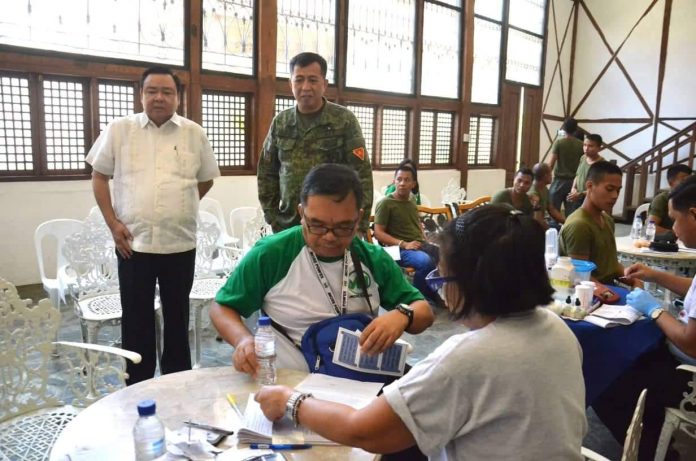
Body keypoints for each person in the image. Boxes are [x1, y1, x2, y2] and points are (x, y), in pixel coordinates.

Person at [254, 205, 587, 460]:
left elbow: (365, 431)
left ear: (473, 284)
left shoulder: (469, 359)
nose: (442, 294)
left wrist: (290, 400)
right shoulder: (558, 329)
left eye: (442, 281)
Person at [211, 163, 433, 375]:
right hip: (289, 384)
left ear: (359, 219)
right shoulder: (272, 254)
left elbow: (424, 311)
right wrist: (242, 340)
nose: (329, 236)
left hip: (359, 383)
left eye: (343, 227)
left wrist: (402, 315)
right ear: (301, 213)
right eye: (316, 225)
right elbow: (222, 308)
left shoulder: (372, 258)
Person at [86, 66, 220, 384]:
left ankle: (176, 384)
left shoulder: (194, 133)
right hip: (133, 244)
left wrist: (180, 206)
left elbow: (205, 181)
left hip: (179, 244)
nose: (159, 97)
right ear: (141, 94)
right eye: (152, 91)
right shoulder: (119, 129)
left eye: (167, 91)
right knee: (136, 320)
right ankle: (138, 384)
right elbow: (99, 176)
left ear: (177, 97)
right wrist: (112, 223)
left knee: (177, 319)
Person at [594, 174, 696, 460]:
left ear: (694, 214)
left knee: (609, 380)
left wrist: (654, 309)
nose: (674, 230)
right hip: (681, 359)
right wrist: (654, 275)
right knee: (633, 355)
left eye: (676, 220)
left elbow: (690, 344)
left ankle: (649, 452)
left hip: (688, 375)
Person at [257, 52, 373, 234]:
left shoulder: (344, 120)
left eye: (312, 80)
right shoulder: (281, 122)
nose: (305, 87)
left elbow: (362, 175)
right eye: (299, 80)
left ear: (324, 84)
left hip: (332, 228)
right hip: (288, 225)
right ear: (290, 84)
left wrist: (360, 226)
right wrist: (272, 217)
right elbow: (266, 172)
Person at [559, 161, 639, 286]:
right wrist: (611, 295)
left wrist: (634, 280)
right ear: (590, 186)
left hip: (607, 287)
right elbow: (580, 276)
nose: (615, 196)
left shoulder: (607, 220)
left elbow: (611, 266)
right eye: (609, 189)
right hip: (588, 294)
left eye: (618, 191)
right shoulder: (579, 225)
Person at [374, 163, 439, 304]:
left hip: (417, 244)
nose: (402, 183)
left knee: (448, 255)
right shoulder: (386, 203)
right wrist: (404, 244)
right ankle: (417, 299)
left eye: (406, 180)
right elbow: (378, 233)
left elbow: (415, 220)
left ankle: (436, 294)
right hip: (395, 249)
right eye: (399, 179)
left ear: (413, 184)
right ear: (394, 181)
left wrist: (423, 237)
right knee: (425, 261)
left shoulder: (411, 199)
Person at [547, 118, 584, 222]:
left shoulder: (559, 143)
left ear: (563, 128)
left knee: (553, 212)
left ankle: (554, 233)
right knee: (571, 215)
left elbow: (550, 164)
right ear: (575, 129)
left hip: (559, 181)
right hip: (573, 183)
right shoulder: (581, 145)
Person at [565, 133, 605, 216]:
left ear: (599, 148)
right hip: (577, 198)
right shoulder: (583, 158)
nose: (586, 148)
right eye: (584, 145)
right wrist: (573, 188)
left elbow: (598, 188)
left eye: (590, 146)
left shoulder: (602, 164)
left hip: (591, 200)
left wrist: (581, 194)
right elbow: (578, 175)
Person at [648, 164, 693, 234]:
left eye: (689, 181)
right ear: (670, 183)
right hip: (664, 242)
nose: (687, 185)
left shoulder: (692, 199)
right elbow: (650, 227)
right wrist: (679, 234)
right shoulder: (662, 199)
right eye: (684, 181)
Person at [528, 162, 565, 230]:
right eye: (550, 174)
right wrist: (549, 232)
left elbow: (552, 210)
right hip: (532, 226)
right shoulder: (532, 193)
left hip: (541, 223)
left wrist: (567, 222)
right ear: (545, 176)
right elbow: (537, 220)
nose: (552, 176)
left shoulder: (544, 189)